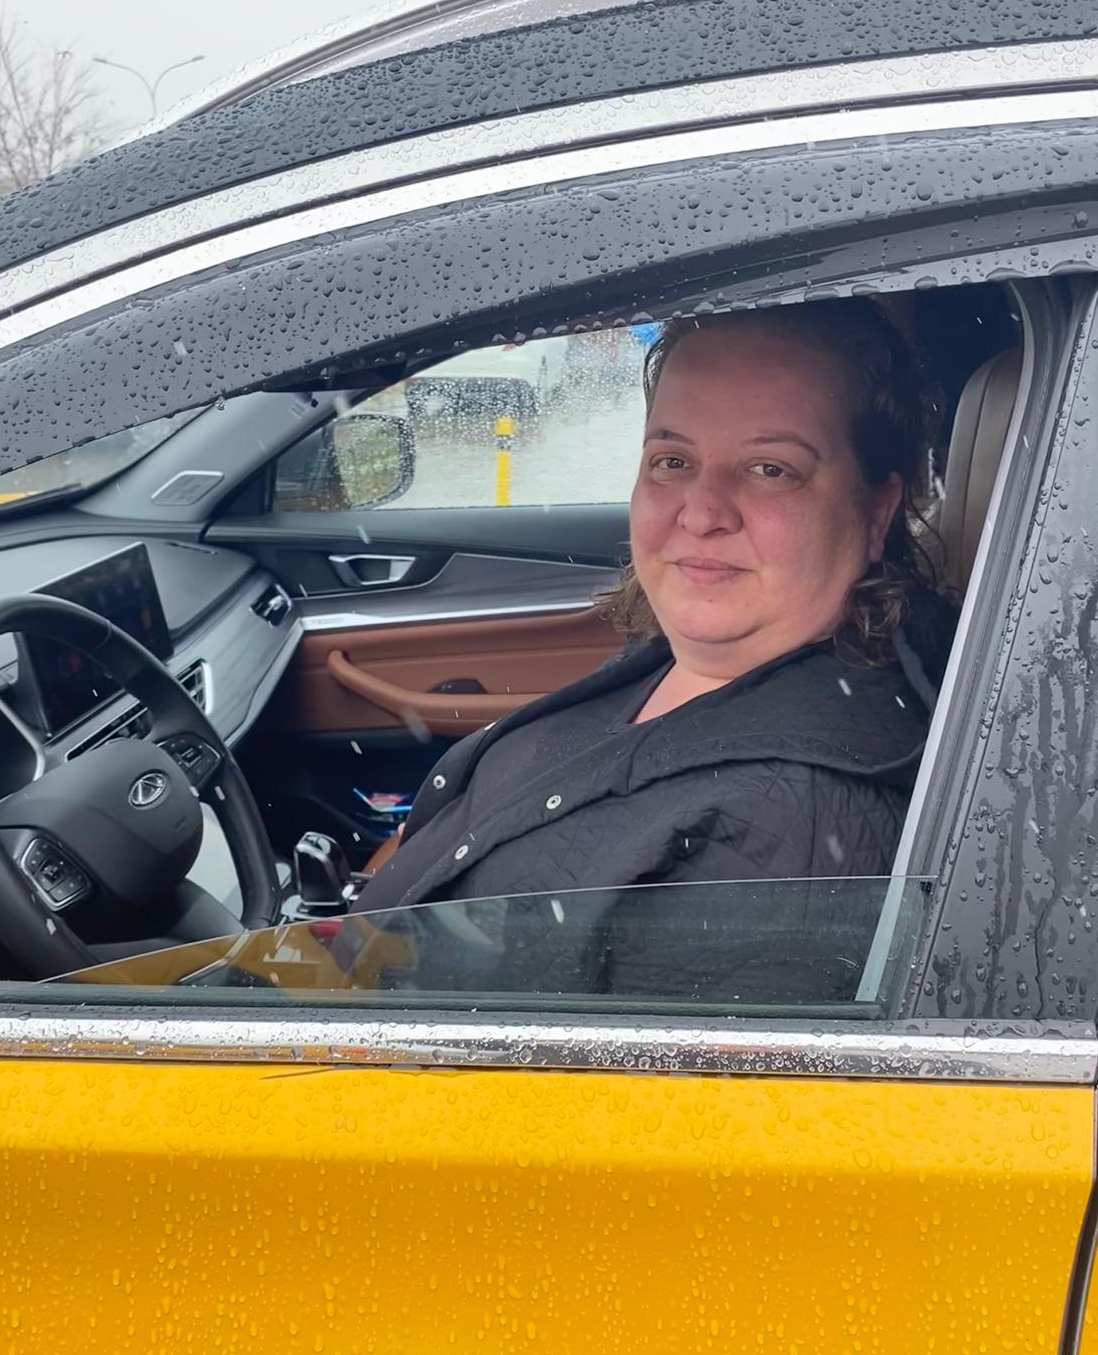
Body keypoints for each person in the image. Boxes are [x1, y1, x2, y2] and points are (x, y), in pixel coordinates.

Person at [347, 300, 955, 1001]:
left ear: (877, 513)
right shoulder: (699, 660)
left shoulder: (792, 844)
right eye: (673, 460)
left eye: (770, 469)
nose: (701, 512)